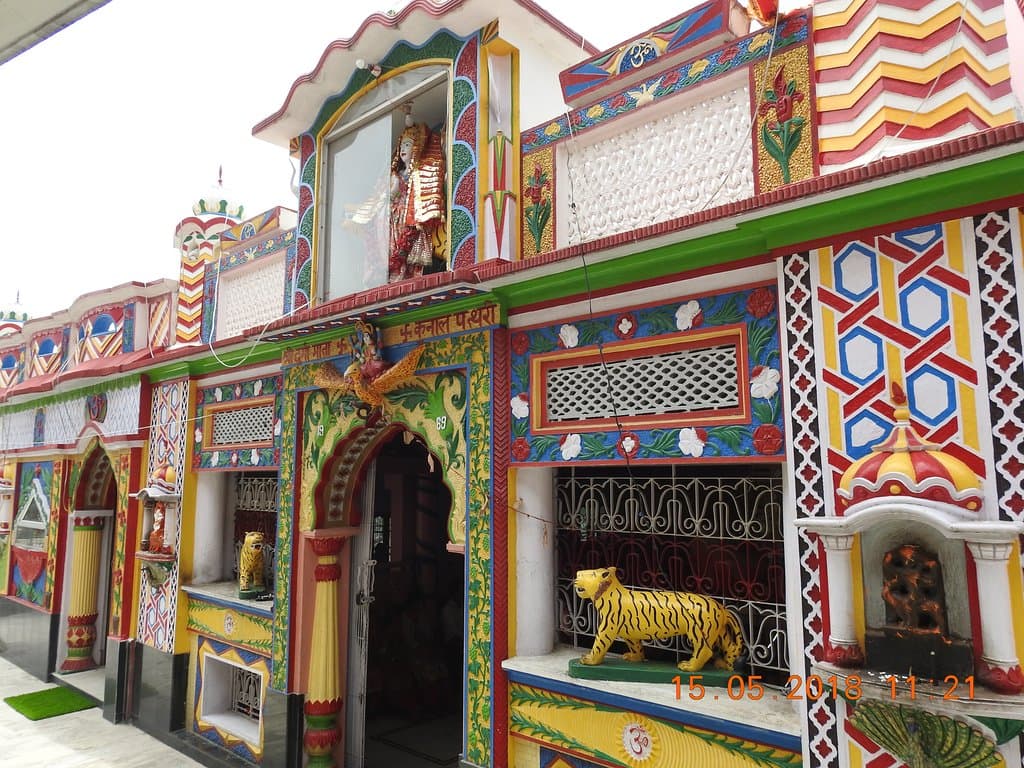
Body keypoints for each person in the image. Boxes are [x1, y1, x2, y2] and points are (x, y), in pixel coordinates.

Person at [388, 120, 446, 282]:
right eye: (402, 145)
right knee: (395, 245)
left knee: (411, 256)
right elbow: (389, 198)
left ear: (416, 147)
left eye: (407, 145)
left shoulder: (419, 171)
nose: (403, 149)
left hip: (411, 219)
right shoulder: (396, 174)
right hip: (396, 219)